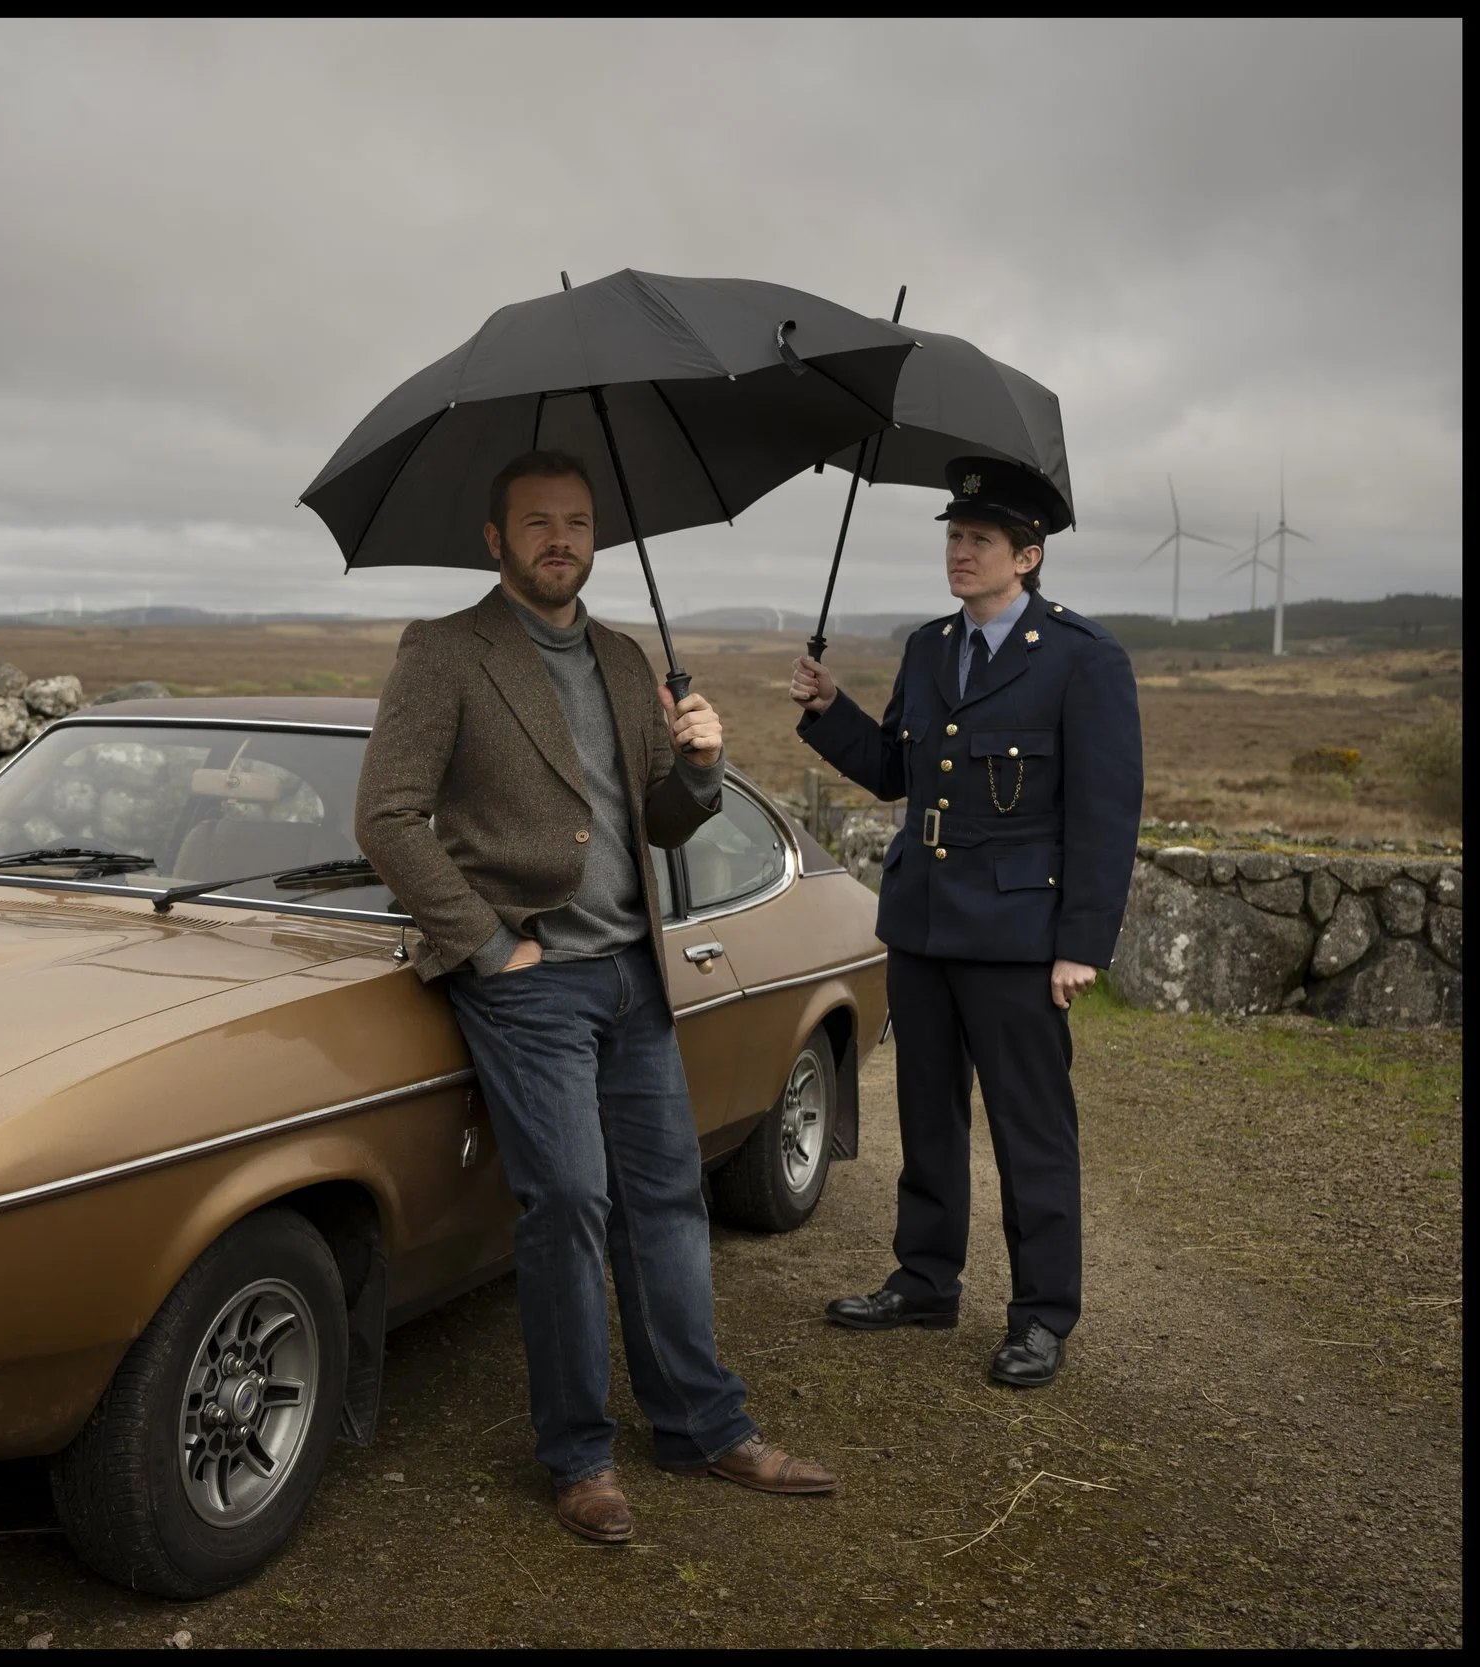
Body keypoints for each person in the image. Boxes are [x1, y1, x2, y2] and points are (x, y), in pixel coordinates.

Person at [356, 448, 837, 1546]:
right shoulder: (445, 651)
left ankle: (702, 1425)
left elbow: (655, 822)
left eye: (575, 521)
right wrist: (482, 945)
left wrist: (703, 767)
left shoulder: (625, 661)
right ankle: (576, 1455)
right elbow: (385, 817)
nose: (558, 538)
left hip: (634, 973)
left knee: (668, 1202)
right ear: (496, 536)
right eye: (535, 521)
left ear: (595, 538)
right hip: (529, 981)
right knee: (568, 1200)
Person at [788, 455, 1142, 1389]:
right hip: (924, 924)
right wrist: (830, 712)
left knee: (1032, 1131)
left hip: (1022, 937)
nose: (961, 551)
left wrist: (1081, 944)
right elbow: (899, 770)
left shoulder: (1083, 658)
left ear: (1027, 556)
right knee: (927, 1118)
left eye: (980, 540)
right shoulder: (929, 647)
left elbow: (1106, 814)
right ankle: (925, 1279)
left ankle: (1041, 1316)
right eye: (954, 536)